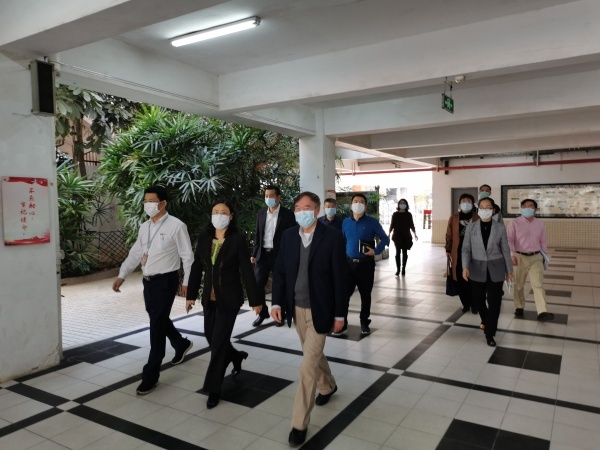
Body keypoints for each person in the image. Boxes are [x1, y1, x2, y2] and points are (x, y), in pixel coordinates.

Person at [271, 191, 347, 446]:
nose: (301, 212)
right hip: (297, 308)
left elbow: (340, 279)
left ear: (316, 211)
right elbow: (280, 272)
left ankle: (299, 423)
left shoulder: (332, 237)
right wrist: (277, 302)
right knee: (312, 355)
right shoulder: (288, 236)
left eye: (306, 207)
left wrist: (340, 314)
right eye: (297, 207)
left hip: (321, 309)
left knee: (306, 367)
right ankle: (328, 386)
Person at [112, 186, 194, 396]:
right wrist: (122, 274)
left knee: (156, 326)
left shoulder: (176, 226)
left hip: (166, 281)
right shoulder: (144, 227)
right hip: (148, 281)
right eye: (146, 201)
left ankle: (151, 374)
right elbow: (136, 253)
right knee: (158, 318)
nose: (147, 204)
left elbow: (187, 256)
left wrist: (188, 282)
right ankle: (181, 343)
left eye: (152, 201)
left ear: (163, 203)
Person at [186, 200, 262, 409]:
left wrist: (255, 300)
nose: (219, 215)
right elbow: (196, 266)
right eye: (215, 212)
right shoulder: (204, 237)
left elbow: (246, 271)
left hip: (229, 299)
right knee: (212, 338)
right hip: (209, 298)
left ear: (231, 216)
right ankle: (236, 357)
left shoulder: (237, 239)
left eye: (223, 212)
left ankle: (214, 388)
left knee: (218, 343)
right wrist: (191, 295)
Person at [462, 198, 513, 347]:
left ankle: (490, 333)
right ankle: (486, 319)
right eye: (482, 207)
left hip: (496, 268)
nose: (484, 210)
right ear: (478, 209)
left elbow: (505, 250)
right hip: (476, 268)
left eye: (488, 207)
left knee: (494, 302)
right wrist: (465, 267)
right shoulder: (471, 228)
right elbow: (466, 249)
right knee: (478, 300)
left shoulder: (500, 228)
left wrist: (509, 271)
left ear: (493, 210)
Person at [337, 193, 390, 335]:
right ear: (351, 205)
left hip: (366, 265)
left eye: (361, 202)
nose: (358, 204)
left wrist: (376, 251)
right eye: (355, 201)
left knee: (365, 296)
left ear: (365, 207)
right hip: (348, 265)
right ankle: (343, 323)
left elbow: (385, 238)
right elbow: (343, 242)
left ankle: (364, 322)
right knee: (344, 295)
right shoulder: (345, 223)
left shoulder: (372, 222)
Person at [251, 185, 296, 327]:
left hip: (279, 256)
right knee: (258, 284)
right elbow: (257, 235)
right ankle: (263, 312)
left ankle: (279, 315)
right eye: (266, 196)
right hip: (263, 254)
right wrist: (254, 253)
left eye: (271, 196)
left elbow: (292, 237)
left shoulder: (287, 214)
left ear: (278, 197)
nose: (268, 198)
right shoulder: (261, 213)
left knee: (279, 285)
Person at [507, 199, 554, 321]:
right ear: (521, 208)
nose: (527, 208)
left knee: (538, 284)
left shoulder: (540, 224)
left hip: (536, 257)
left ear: (535, 209)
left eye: (530, 206)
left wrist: (544, 257)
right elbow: (509, 240)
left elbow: (543, 241)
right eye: (524, 206)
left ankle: (542, 311)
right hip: (519, 257)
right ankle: (519, 306)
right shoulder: (514, 223)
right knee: (518, 284)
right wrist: (512, 255)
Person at [445, 193, 480, 314]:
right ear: (459, 203)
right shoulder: (454, 217)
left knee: (473, 278)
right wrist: (448, 249)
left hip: (474, 253)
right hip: (458, 252)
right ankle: (465, 303)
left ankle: (474, 304)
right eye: (463, 201)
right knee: (460, 279)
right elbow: (449, 234)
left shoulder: (477, 217)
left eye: (468, 201)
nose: (466, 203)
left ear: (473, 204)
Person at [388, 198, 418, 276]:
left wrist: (415, 234)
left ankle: (403, 268)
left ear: (406, 205)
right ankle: (398, 269)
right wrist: (389, 233)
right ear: (398, 205)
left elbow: (411, 225)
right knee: (397, 252)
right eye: (401, 203)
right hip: (397, 236)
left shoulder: (409, 214)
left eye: (404, 203)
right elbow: (392, 224)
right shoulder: (395, 214)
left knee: (405, 252)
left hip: (406, 236)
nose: (402, 204)